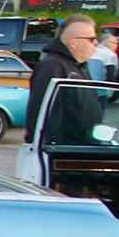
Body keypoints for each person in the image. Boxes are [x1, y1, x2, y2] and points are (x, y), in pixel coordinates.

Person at [24, 14, 97, 143]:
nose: (96, 43)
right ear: (73, 42)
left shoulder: (79, 67)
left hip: (83, 150)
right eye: (91, 39)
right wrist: (52, 150)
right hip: (64, 153)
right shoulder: (53, 67)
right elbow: (44, 114)